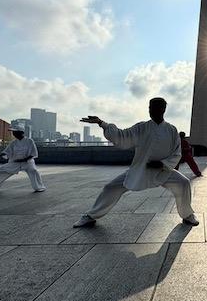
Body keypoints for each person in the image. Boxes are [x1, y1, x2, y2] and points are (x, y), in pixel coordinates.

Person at [73, 97, 199, 228]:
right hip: (140, 170)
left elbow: (177, 153)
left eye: (155, 107)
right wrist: (101, 123)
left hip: (163, 171)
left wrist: (162, 164)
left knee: (184, 183)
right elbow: (122, 136)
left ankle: (187, 215)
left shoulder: (171, 130)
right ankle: (90, 216)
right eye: (150, 107)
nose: (151, 110)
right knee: (110, 188)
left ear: (163, 109)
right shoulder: (141, 127)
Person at [0, 126, 46, 192]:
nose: (13, 134)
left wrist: (24, 160)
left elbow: (33, 153)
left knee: (34, 171)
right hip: (15, 163)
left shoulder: (29, 141)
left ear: (21, 132)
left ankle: (39, 187)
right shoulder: (13, 143)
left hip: (27, 162)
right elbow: (5, 152)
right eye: (13, 132)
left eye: (15, 132)